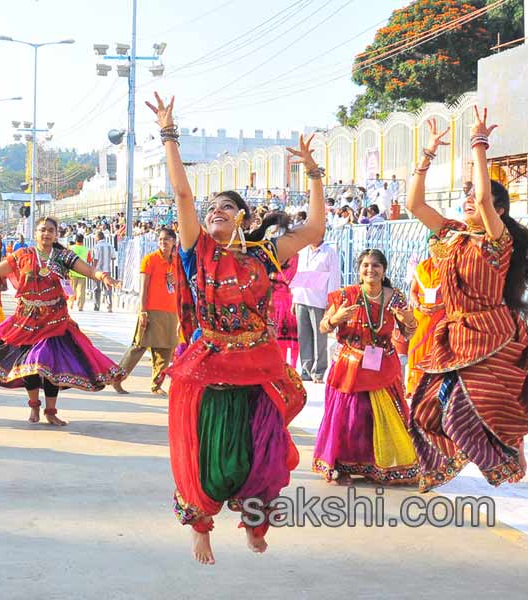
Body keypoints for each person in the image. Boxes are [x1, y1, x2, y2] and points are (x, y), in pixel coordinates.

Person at [148, 92, 321, 563]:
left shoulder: (263, 257)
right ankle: (201, 525)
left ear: (243, 216)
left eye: (226, 206)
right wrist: (169, 135)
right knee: (209, 460)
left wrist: (314, 174)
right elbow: (183, 194)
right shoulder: (196, 252)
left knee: (262, 457)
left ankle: (255, 520)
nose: (216, 211)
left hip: (260, 365)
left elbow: (314, 232)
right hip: (212, 363)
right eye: (211, 209)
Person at [406, 110, 528, 491]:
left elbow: (483, 195)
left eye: (477, 199)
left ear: (499, 211)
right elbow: (415, 204)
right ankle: (448, 460)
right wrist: (427, 155)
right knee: (427, 408)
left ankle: (508, 453)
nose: (469, 201)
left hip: (491, 334)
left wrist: (479, 146)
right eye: (463, 196)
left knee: (476, 403)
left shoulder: (498, 241)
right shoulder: (451, 235)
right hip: (454, 333)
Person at [0, 216, 123, 426]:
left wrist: (103, 277)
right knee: (31, 366)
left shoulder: (64, 256)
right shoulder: (22, 255)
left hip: (55, 321)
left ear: (57, 234)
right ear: (35, 233)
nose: (46, 234)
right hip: (26, 320)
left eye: (50, 231)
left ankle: (51, 411)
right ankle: (34, 408)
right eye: (42, 230)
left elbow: (89, 270)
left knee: (48, 365)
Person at [314, 249, 419, 485]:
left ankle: (377, 465)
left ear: (384, 271)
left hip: (383, 366)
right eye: (365, 266)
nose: (370, 270)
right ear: (359, 271)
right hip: (350, 366)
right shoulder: (345, 296)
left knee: (379, 418)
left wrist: (409, 321)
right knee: (350, 418)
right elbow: (323, 327)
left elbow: (409, 332)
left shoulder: (395, 298)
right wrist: (335, 318)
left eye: (376, 266)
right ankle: (342, 467)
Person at [113, 227, 180, 396]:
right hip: (150, 310)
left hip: (171, 311)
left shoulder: (177, 262)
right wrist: (142, 311)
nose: (163, 242)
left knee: (166, 349)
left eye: (167, 239)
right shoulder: (149, 260)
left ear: (174, 242)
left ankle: (156, 385)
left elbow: (182, 287)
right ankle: (117, 379)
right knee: (139, 346)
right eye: (160, 239)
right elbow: (143, 288)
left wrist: (177, 281)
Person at [291, 235, 341, 383]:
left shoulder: (329, 252)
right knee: (303, 336)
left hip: (319, 300)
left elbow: (334, 277)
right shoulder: (304, 251)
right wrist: (294, 299)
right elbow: (298, 274)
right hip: (301, 298)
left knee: (320, 337)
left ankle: (318, 371)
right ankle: (306, 370)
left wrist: (331, 301)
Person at [406, 232, 445, 396]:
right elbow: (413, 291)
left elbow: (455, 294)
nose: (434, 249)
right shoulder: (422, 267)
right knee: (416, 349)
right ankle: (413, 387)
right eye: (431, 245)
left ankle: (433, 388)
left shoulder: (449, 268)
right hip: (420, 315)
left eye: (438, 245)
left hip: (441, 315)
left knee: (437, 349)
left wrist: (440, 306)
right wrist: (419, 305)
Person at [266, 212, 299, 369]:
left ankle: (291, 366)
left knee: (289, 335)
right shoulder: (265, 254)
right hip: (270, 298)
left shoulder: (295, 256)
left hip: (286, 298)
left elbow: (291, 276)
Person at [91, 230, 115, 312]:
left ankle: (97, 306)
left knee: (97, 288)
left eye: (95, 236)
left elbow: (96, 259)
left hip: (98, 271)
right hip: (107, 270)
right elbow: (113, 257)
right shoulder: (110, 246)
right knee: (108, 288)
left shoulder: (96, 246)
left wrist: (93, 269)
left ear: (98, 237)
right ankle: (109, 306)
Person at [68, 233, 92, 311]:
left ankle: (70, 304)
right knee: (81, 290)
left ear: (75, 240)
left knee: (71, 289)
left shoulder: (71, 248)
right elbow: (89, 260)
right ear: (83, 241)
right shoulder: (87, 249)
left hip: (72, 272)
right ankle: (80, 306)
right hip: (82, 272)